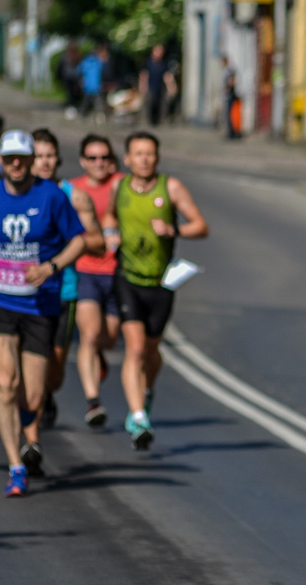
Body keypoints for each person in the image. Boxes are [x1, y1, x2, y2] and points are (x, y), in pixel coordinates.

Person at [0, 130, 86, 496]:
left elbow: (77, 238)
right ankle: (16, 466)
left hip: (40, 304)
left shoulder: (51, 197)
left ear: (32, 160)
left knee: (31, 397)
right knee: (4, 382)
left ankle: (29, 424)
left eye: (22, 157)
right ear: (0, 160)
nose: (16, 163)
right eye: (9, 157)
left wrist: (52, 266)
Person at [104, 131, 208, 449]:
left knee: (151, 350)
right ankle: (137, 417)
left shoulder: (171, 188)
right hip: (128, 278)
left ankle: (146, 394)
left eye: (149, 154)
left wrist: (173, 229)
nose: (144, 159)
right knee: (134, 349)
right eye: (138, 154)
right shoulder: (118, 186)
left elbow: (201, 226)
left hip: (161, 283)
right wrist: (110, 232)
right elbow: (109, 213)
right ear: (127, 159)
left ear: (157, 157)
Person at [23, 128, 104, 444]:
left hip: (63, 290)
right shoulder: (15, 195)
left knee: (53, 371)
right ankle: (32, 441)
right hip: (21, 293)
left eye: (49, 156)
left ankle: (46, 395)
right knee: (28, 366)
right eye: (38, 156)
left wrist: (68, 245)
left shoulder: (74, 196)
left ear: (58, 158)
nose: (44, 162)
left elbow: (96, 240)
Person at [72, 134, 125, 427]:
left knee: (109, 338)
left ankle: (98, 361)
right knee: (90, 335)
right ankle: (93, 401)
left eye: (104, 157)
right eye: (92, 158)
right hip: (86, 270)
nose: (99, 163)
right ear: (83, 161)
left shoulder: (121, 185)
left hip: (117, 272)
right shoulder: (74, 190)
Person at [139, 45, 177, 127]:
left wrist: (171, 86)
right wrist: (142, 86)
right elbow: (144, 75)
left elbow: (167, 76)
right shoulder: (148, 63)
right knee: (150, 103)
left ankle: (158, 121)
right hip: (150, 87)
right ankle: (150, 121)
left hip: (160, 87)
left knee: (160, 104)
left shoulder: (164, 63)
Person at [77, 44, 108, 121]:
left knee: (86, 102)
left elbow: (78, 71)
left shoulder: (85, 62)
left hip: (87, 86)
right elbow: (105, 71)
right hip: (97, 86)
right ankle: (100, 116)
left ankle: (83, 115)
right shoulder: (98, 62)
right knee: (98, 103)